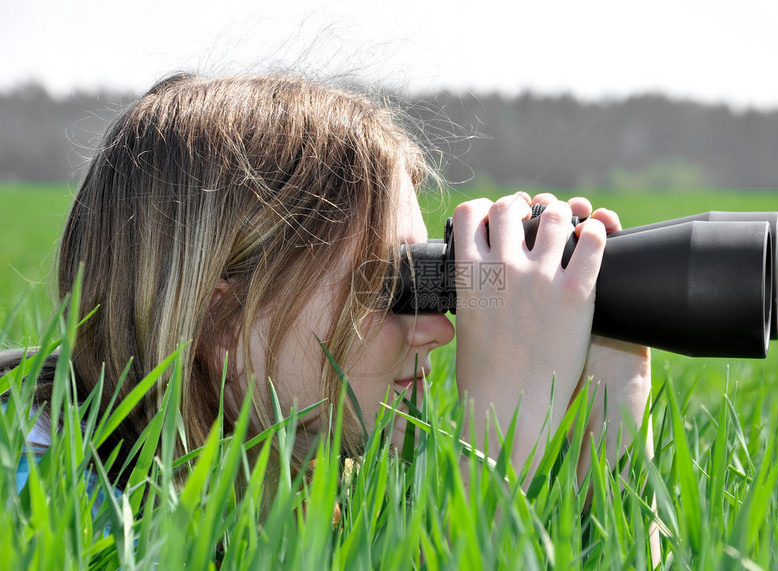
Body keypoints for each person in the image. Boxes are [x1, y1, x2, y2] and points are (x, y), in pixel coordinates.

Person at [1, 73, 653, 519]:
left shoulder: (307, 498)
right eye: (386, 285)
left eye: (429, 280)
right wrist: (497, 451)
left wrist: (613, 409)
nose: (436, 328)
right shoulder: (41, 501)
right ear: (223, 316)